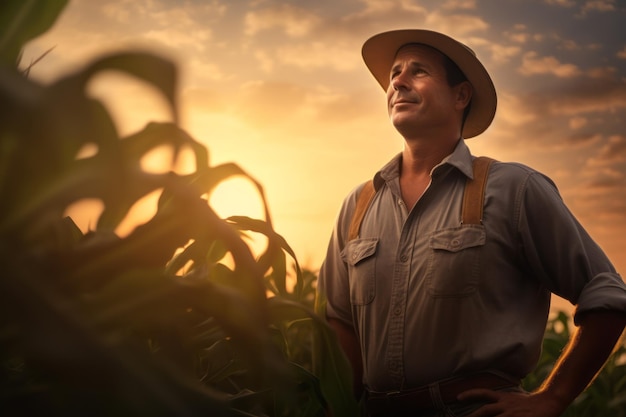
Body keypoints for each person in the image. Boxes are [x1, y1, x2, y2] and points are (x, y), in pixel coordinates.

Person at [317, 29, 626, 417]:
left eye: (418, 71)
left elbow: (607, 293)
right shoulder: (356, 206)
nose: (398, 81)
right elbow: (339, 324)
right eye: (395, 73)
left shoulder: (514, 188)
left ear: (461, 95)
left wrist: (553, 397)